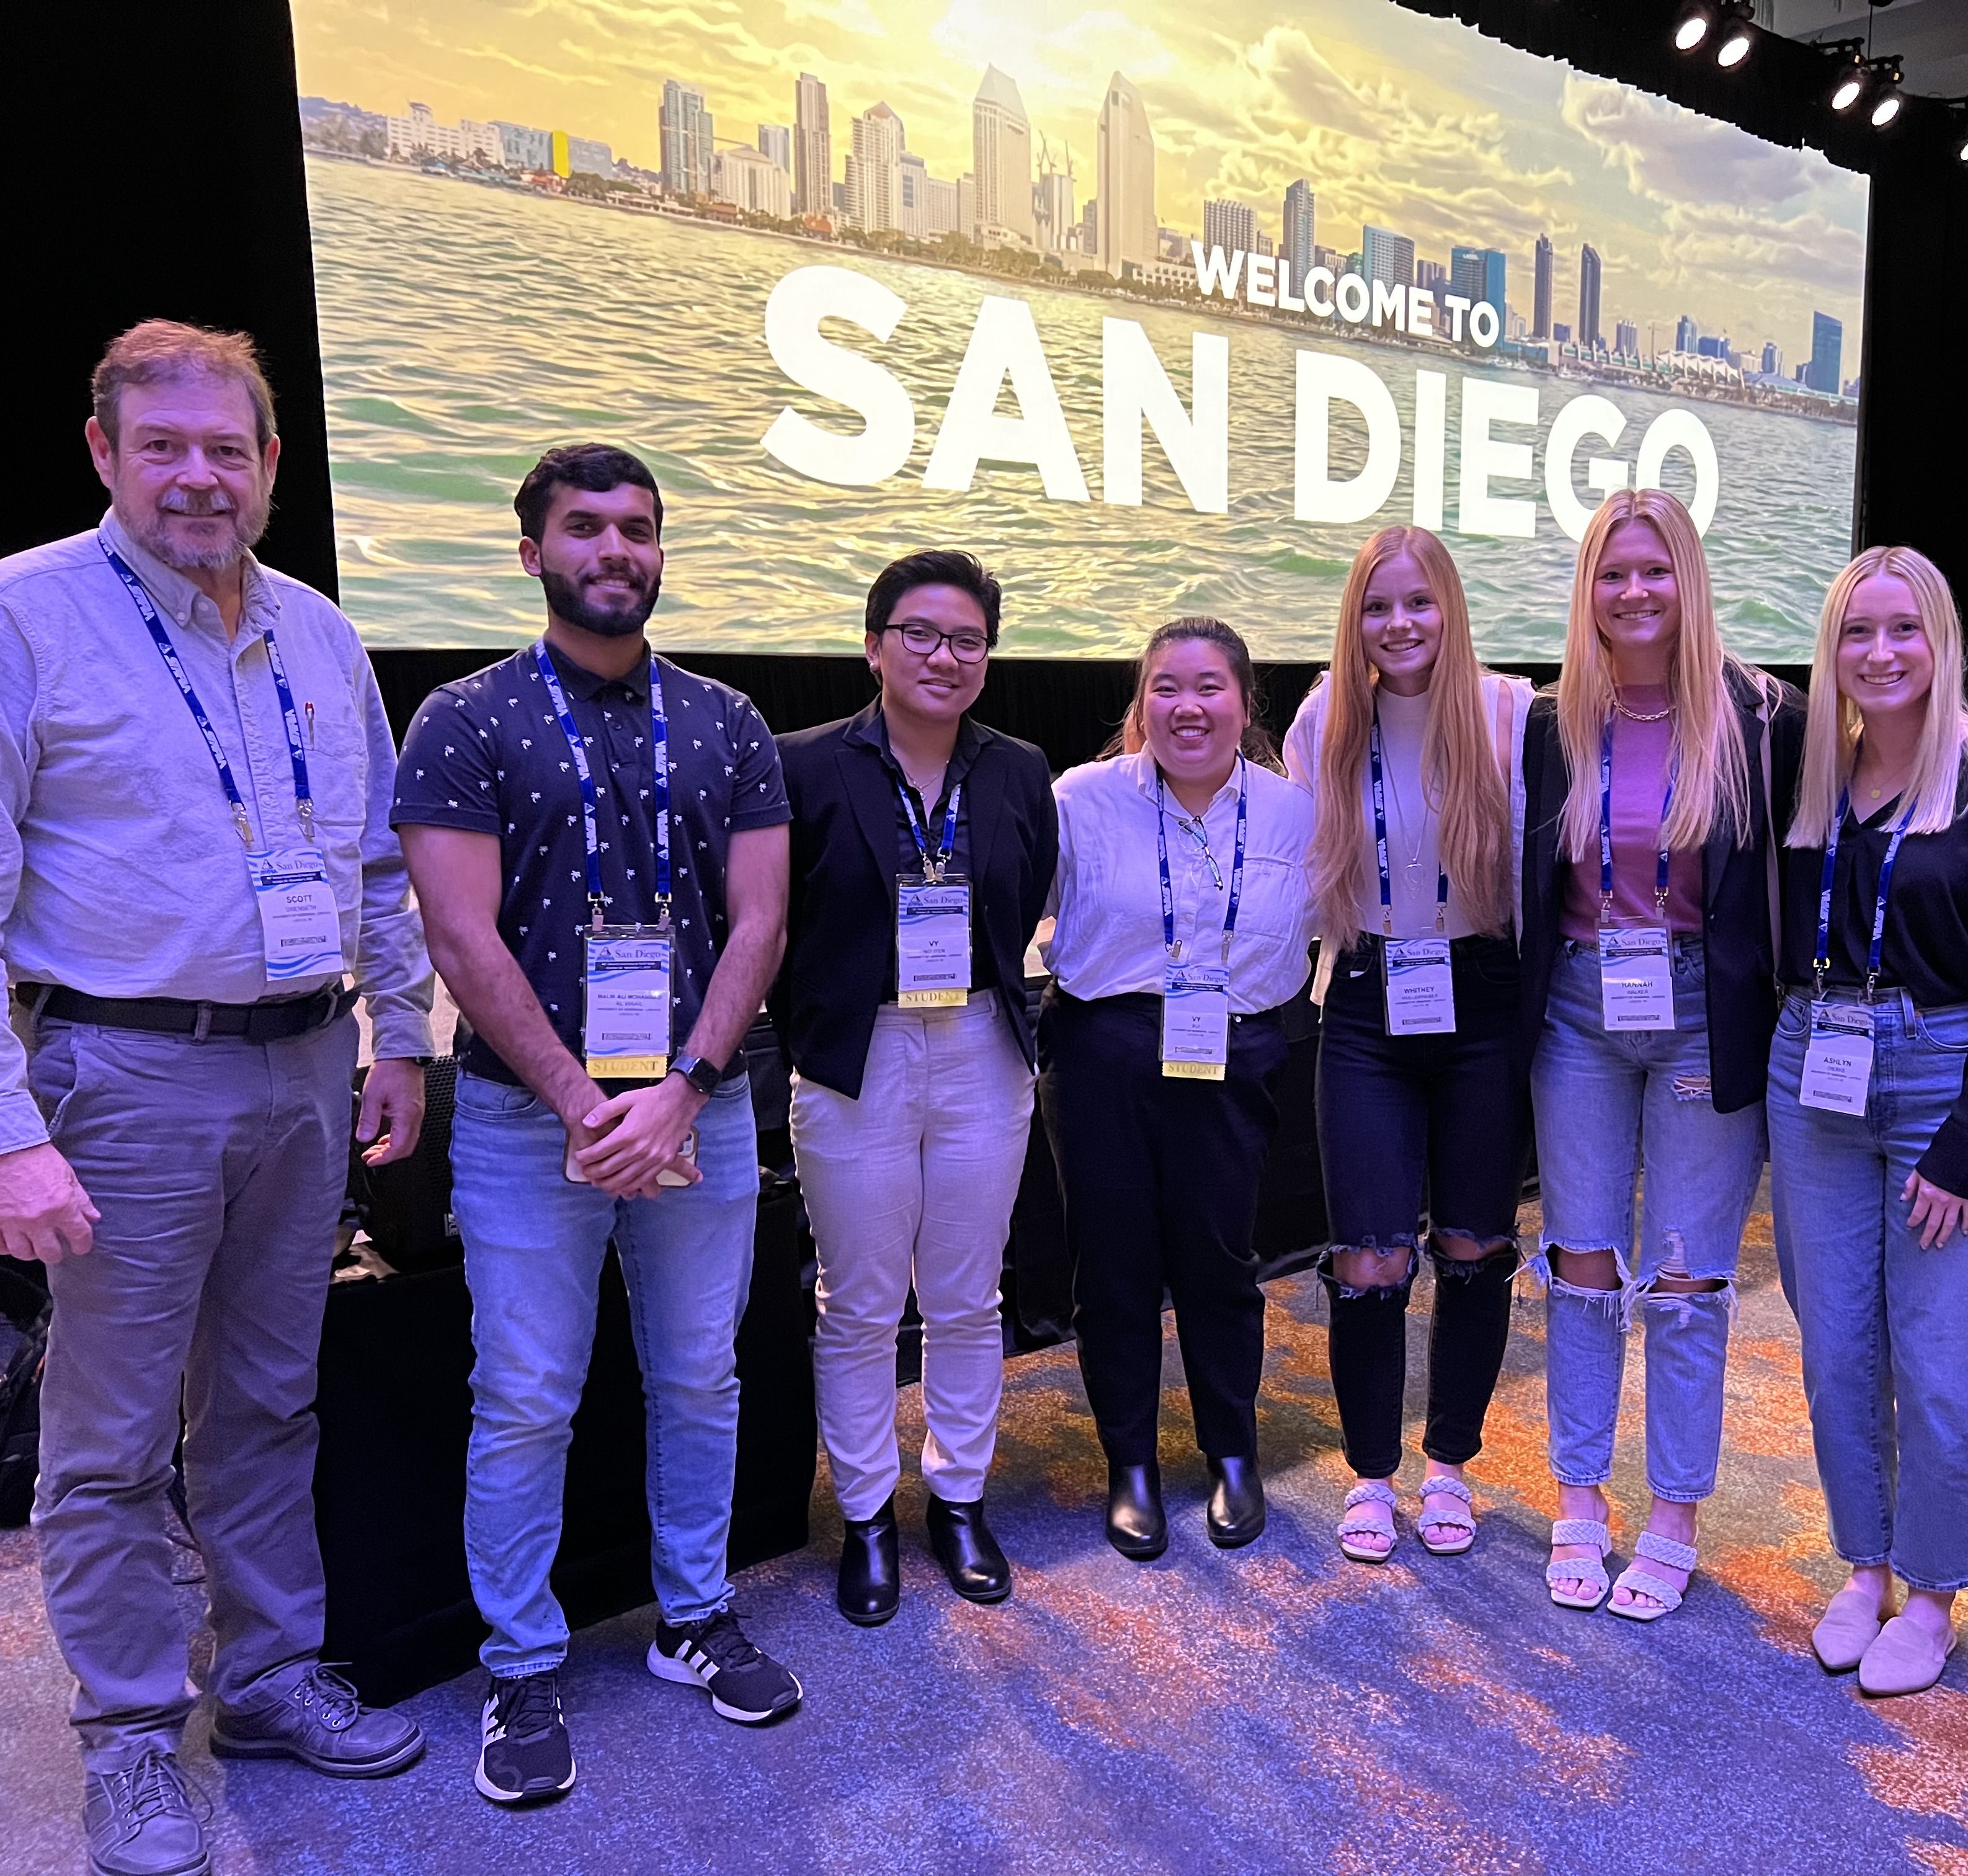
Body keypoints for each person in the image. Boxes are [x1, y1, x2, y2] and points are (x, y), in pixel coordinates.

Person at [0, 321, 432, 1876]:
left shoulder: (321, 632)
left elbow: (376, 859)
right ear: (106, 452)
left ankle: (261, 1683)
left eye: (228, 448)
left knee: (267, 1402)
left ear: (270, 464)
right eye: (163, 445)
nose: (200, 475)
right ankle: (126, 1739)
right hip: (120, 1075)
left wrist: (403, 1037)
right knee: (109, 1437)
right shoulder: (25, 615)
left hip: (309, 1065)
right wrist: (12, 1134)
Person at [394, 445, 801, 1807]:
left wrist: (682, 1086)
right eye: (585, 528)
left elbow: (761, 923)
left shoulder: (731, 724)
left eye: (638, 529)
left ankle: (694, 1618)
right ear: (532, 553)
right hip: (528, 1124)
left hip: (704, 1107)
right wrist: (585, 1106)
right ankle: (521, 1665)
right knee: (524, 1402)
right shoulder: (463, 718)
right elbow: (460, 934)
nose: (615, 549)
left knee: (700, 1377)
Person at [1766, 547, 1968, 1697]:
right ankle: (1865, 1563)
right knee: (1836, 1352)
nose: (1878, 655)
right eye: (1853, 632)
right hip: (1813, 1067)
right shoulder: (1809, 773)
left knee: (1940, 1367)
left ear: (1942, 640)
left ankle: (1931, 1592)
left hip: (1946, 1073)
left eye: (1902, 630)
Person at [1518, 488, 1803, 1621]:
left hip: (1699, 1009)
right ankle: (1579, 1495)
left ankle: (1674, 1509)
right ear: (1586, 590)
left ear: (1689, 579)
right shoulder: (1550, 722)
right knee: (1582, 1259)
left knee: (1684, 1279)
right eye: (1610, 572)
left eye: (1654, 570)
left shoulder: (1762, 718)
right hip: (1578, 1010)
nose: (1633, 592)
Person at [773, 550, 1053, 1624]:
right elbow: (776, 915)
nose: (946, 655)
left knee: (967, 1293)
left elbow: (1026, 895)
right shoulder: (802, 764)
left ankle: (959, 1495)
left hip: (981, 1043)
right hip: (858, 1056)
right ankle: (865, 1513)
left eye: (968, 639)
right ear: (874, 641)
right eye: (922, 633)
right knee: (856, 1305)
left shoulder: (1017, 767)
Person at [1040, 618, 1317, 1560]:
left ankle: (1232, 1452)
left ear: (1244, 703)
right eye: (1165, 687)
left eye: (1208, 688)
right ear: (1140, 701)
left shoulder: (1294, 812)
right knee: (1113, 1265)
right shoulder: (1081, 799)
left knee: (1218, 1260)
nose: (1186, 707)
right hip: (1104, 1047)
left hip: (1232, 1047)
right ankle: (1131, 1464)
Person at [1282, 527, 1533, 1563]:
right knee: (1370, 1255)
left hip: (1480, 996)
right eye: (1379, 607)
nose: (1400, 624)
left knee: (1474, 1248)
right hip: (1366, 999)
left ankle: (1450, 1466)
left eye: (1418, 603)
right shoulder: (1322, 716)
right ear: (1356, 619)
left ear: (1450, 609)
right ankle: (1372, 1476)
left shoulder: (1513, 712)